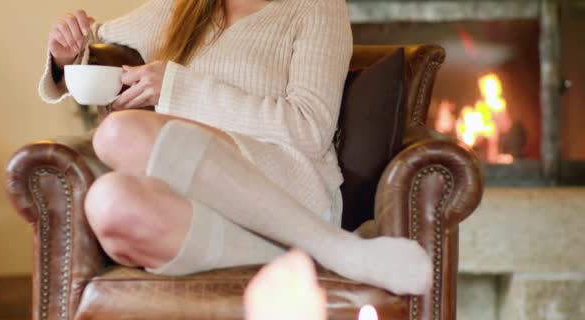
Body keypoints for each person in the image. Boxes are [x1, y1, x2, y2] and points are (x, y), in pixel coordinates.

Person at [40, 0, 432, 295]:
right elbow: (98, 39)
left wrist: (178, 88)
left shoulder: (316, 6)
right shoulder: (183, 7)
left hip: (287, 185)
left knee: (117, 134)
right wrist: (66, 55)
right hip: (199, 197)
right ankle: (327, 258)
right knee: (108, 202)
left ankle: (331, 243)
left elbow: (308, 128)